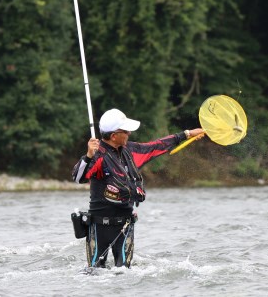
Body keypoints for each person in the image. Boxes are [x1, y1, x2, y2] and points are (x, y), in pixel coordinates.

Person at [72, 108, 204, 268]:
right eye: (125, 131)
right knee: (94, 272)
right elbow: (79, 178)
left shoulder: (130, 151)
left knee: (124, 273)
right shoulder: (97, 156)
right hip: (99, 226)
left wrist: (188, 134)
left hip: (125, 224)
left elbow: (157, 146)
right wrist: (88, 156)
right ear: (114, 136)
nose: (129, 133)